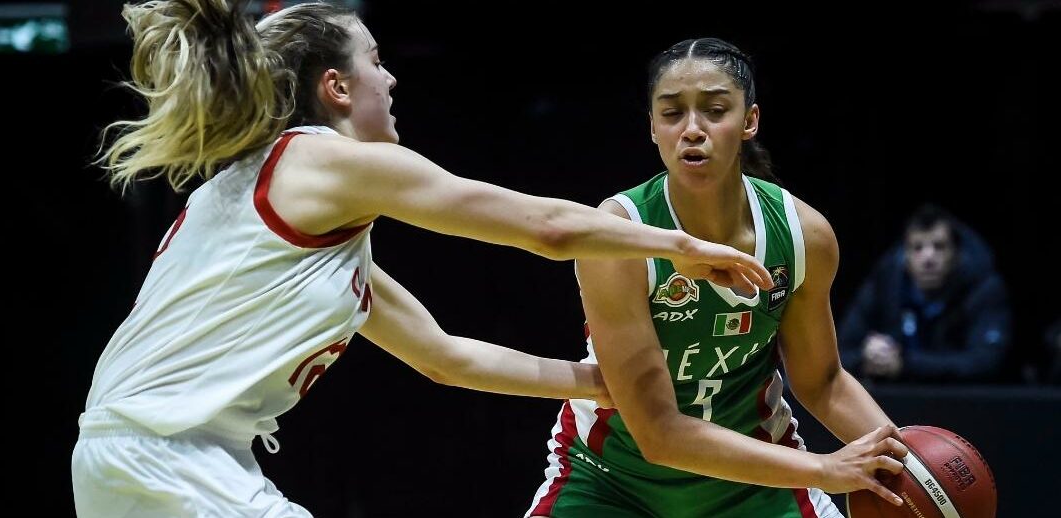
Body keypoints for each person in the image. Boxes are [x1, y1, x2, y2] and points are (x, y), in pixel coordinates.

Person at [71, 3, 774, 517]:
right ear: (336, 88)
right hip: (166, 454)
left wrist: (599, 383)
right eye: (375, 60)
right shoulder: (322, 160)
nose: (392, 78)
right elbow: (546, 227)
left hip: (140, 457)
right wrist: (681, 244)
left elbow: (445, 357)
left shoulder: (299, 226)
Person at [526, 38, 907, 518]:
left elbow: (823, 382)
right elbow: (659, 435)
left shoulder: (804, 235)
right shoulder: (617, 233)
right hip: (613, 482)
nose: (692, 130)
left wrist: (910, 467)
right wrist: (825, 468)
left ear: (749, 121)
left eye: (714, 110)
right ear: (652, 128)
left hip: (757, 484)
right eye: (671, 114)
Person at [837, 205, 1012, 382]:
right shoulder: (885, 283)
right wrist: (866, 358)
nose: (928, 258)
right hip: (895, 402)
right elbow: (840, 353)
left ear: (956, 254)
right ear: (905, 255)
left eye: (939, 246)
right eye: (917, 247)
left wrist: (906, 364)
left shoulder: (983, 288)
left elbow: (986, 362)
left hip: (965, 403)